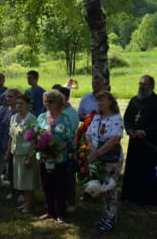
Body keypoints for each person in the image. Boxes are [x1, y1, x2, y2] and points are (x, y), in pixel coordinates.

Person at [121, 75, 157, 205]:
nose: (141, 87)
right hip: (134, 141)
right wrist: (129, 130)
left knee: (147, 171)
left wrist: (144, 132)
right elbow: (127, 118)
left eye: (144, 84)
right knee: (133, 169)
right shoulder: (134, 100)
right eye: (140, 84)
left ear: (152, 86)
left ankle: (147, 198)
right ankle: (131, 195)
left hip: (150, 141)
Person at [85, 91, 124, 232]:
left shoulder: (116, 118)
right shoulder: (96, 117)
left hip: (111, 159)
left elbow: (114, 140)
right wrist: (93, 150)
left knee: (110, 189)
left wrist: (96, 153)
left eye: (103, 100)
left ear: (111, 102)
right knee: (101, 188)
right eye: (98, 100)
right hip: (98, 158)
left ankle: (111, 219)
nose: (100, 103)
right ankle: (106, 215)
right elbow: (88, 134)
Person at [37, 89, 73, 224]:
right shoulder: (41, 117)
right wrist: (41, 147)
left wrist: (57, 150)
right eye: (46, 101)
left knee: (59, 186)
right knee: (46, 185)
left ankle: (60, 213)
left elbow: (69, 139)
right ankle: (49, 211)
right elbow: (36, 135)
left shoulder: (65, 119)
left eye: (50, 101)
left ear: (58, 103)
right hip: (43, 157)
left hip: (59, 158)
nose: (47, 104)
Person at [5, 94, 38, 213]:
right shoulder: (13, 117)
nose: (18, 105)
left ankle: (29, 205)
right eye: (17, 103)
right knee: (20, 180)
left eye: (21, 103)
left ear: (28, 105)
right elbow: (11, 137)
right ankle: (26, 203)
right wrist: (8, 152)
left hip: (27, 154)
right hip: (16, 153)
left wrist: (29, 157)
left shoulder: (32, 119)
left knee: (28, 180)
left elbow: (34, 140)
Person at [53, 84, 79, 212]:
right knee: (56, 176)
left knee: (68, 176)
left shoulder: (71, 113)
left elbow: (71, 133)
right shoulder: (54, 111)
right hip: (54, 149)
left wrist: (60, 147)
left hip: (67, 149)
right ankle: (57, 200)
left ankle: (70, 202)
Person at [0, 88, 21, 200]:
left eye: (11, 97)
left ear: (17, 98)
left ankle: (21, 192)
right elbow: (1, 126)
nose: (8, 99)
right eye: (7, 97)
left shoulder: (20, 111)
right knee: (10, 169)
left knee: (18, 169)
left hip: (17, 144)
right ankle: (12, 190)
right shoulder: (4, 110)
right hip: (4, 142)